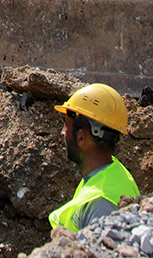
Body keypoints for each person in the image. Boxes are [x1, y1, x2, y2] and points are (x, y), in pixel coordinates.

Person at [49, 83, 140, 233]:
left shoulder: (99, 205)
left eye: (66, 125)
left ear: (81, 137)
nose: (62, 132)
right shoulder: (112, 173)